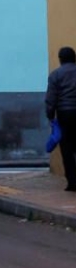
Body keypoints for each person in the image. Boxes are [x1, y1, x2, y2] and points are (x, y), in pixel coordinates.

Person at [45, 46, 76, 191]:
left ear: (61, 59)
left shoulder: (55, 75)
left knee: (67, 149)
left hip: (65, 114)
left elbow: (51, 98)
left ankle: (73, 182)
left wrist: (50, 115)